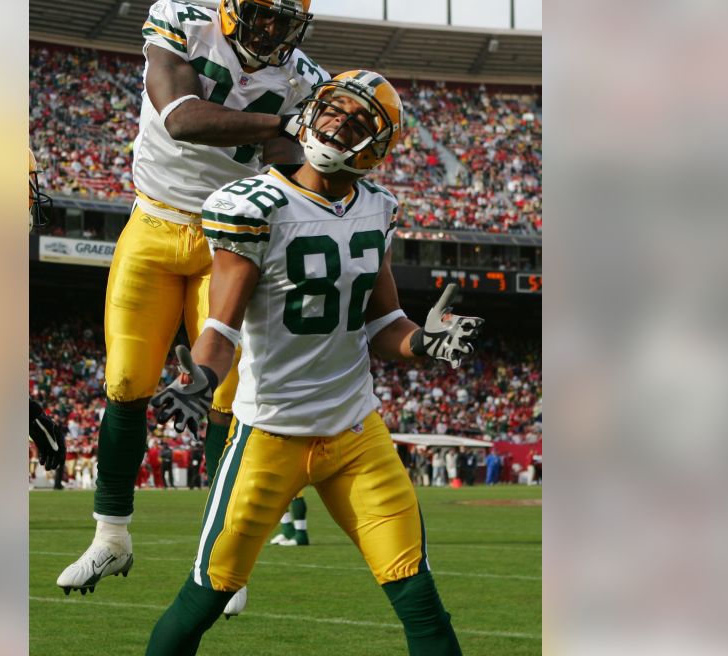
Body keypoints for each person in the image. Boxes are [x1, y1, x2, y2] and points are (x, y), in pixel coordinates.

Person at [145, 69, 483, 655]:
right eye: (333, 110)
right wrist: (201, 377)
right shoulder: (255, 205)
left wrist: (422, 343)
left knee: (421, 601)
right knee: (205, 597)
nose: (335, 125)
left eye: (356, 122)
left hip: (356, 432)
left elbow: (383, 324)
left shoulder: (376, 208)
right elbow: (221, 328)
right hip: (270, 434)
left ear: (376, 149)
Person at [57, 0, 329, 606]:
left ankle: (223, 557)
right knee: (126, 382)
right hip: (151, 228)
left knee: (226, 401)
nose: (270, 35)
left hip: (227, 243)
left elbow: (300, 167)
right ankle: (111, 536)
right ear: (232, 5)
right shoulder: (180, 25)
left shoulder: (303, 79)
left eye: (282, 24)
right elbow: (179, 117)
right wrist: (281, 124)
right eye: (260, 18)